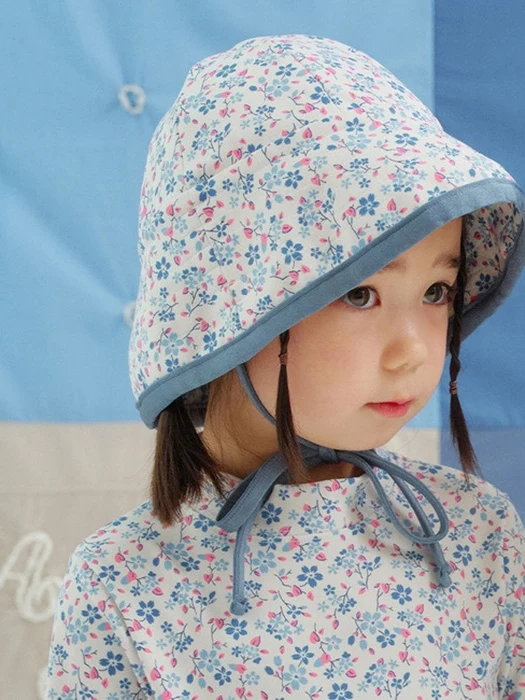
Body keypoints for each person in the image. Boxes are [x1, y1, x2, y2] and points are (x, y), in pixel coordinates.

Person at [45, 34, 525, 698]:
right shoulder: (125, 583)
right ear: (229, 307)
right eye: (359, 293)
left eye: (436, 291)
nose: (414, 351)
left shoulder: (476, 534)